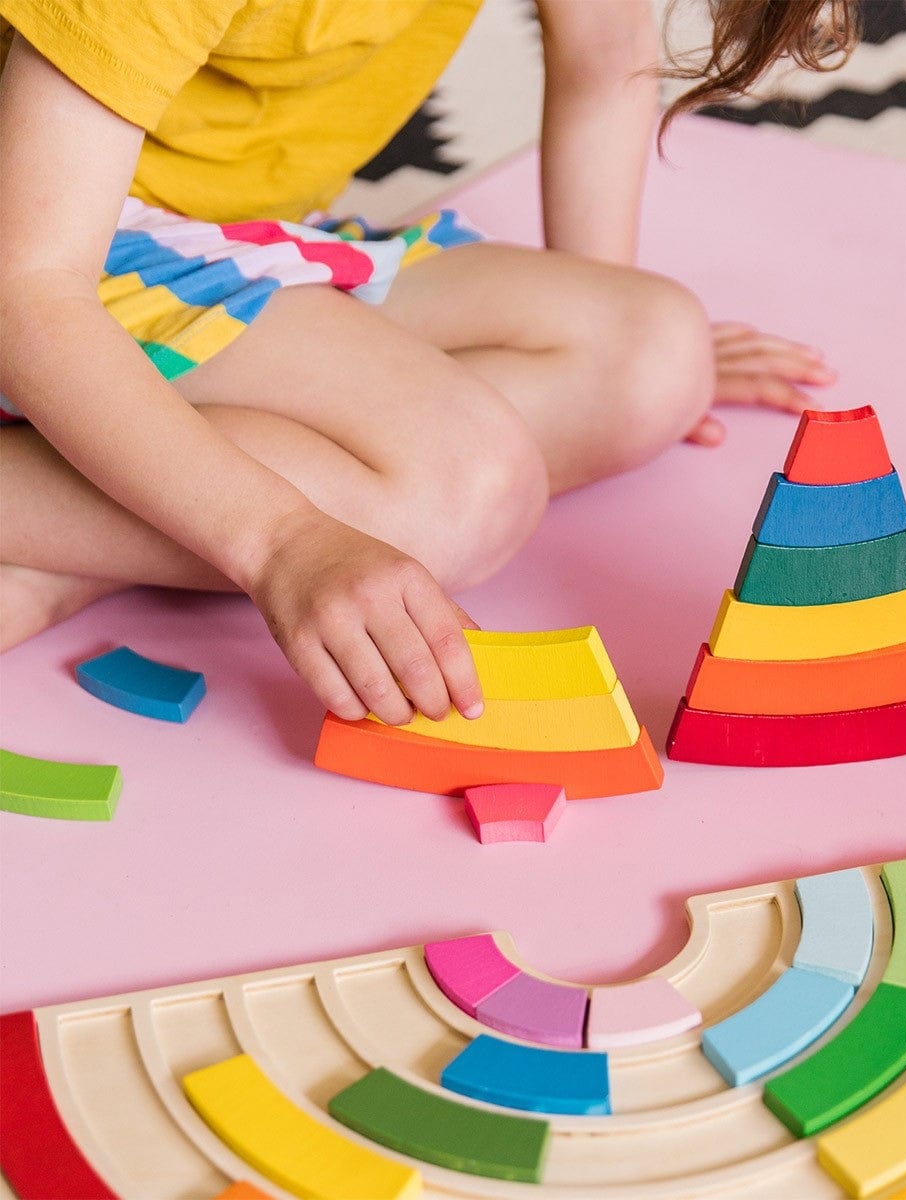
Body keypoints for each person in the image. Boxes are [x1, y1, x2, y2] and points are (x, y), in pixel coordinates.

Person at [0, 0, 857, 727]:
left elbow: (605, 59)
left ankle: (86, 523)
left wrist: (589, 313)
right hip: (47, 235)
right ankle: (72, 520)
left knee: (653, 354)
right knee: (461, 492)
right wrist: (281, 542)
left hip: (240, 238)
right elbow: (28, 286)